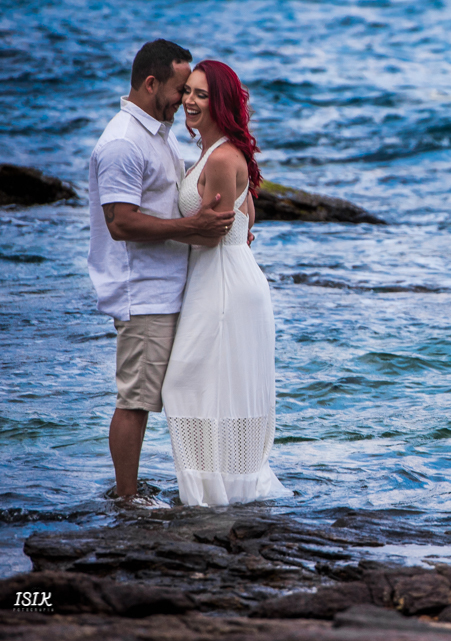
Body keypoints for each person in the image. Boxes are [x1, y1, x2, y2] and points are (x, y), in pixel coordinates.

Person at [88, 40, 236, 506]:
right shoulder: (122, 142)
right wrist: (191, 227)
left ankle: (184, 484)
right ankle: (127, 499)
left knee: (177, 394)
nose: (183, 99)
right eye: (178, 88)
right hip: (143, 292)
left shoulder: (158, 133)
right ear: (150, 83)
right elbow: (121, 222)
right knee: (136, 399)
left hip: (173, 287)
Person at [160, 60, 289, 507]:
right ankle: (224, 488)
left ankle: (211, 495)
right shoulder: (220, 150)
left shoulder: (221, 157)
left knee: (186, 383)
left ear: (222, 103)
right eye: (188, 92)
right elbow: (245, 219)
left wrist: (142, 229)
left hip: (222, 281)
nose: (190, 102)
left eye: (202, 95)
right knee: (213, 385)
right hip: (229, 272)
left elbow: (211, 230)